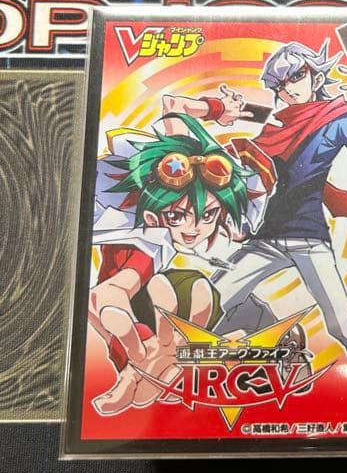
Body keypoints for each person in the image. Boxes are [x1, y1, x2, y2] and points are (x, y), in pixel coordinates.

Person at [163, 39, 347, 368]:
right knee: (211, 305)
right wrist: (220, 110)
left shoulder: (337, 121)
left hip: (308, 238)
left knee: (342, 326)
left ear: (316, 76)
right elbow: (179, 109)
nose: (288, 90)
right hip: (264, 240)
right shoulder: (273, 124)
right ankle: (276, 336)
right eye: (279, 85)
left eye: (296, 77)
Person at [89, 114, 261, 415]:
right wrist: (140, 340)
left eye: (208, 215)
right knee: (166, 293)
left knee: (188, 298)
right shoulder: (148, 240)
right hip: (146, 306)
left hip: (165, 315)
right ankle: (143, 365)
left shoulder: (154, 233)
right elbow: (110, 292)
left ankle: (145, 366)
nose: (194, 227)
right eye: (178, 216)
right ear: (154, 217)